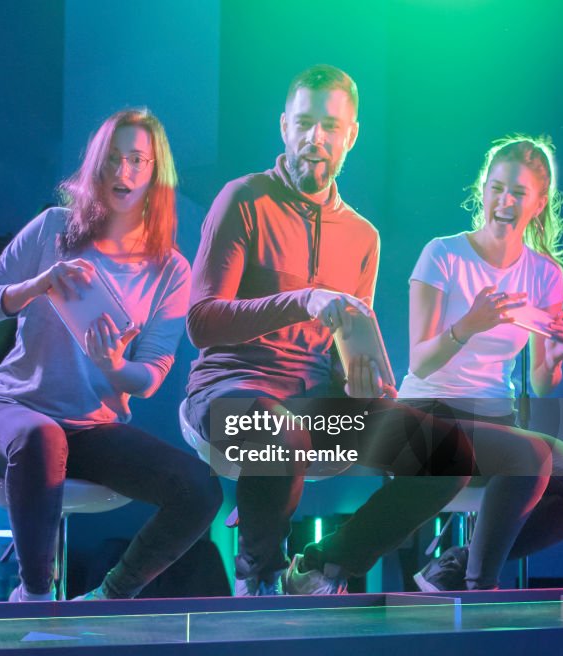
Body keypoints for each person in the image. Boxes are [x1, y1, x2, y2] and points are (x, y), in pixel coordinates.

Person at [184, 64, 482, 596]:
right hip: (226, 397)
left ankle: (321, 567)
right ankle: (259, 578)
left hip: (312, 404)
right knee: (281, 433)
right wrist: (304, 300)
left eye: (328, 126)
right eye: (303, 124)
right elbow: (202, 323)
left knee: (447, 453)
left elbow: (344, 346)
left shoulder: (363, 235)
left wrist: (362, 382)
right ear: (283, 126)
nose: (313, 139)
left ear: (351, 135)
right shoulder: (243, 199)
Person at [0, 108, 222, 602]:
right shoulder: (52, 228)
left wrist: (112, 366)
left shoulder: (171, 268)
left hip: (92, 428)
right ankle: (35, 597)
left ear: (154, 173)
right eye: (113, 159)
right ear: (96, 166)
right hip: (11, 414)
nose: (123, 173)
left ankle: (108, 599)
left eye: (137, 161)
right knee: (41, 436)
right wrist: (35, 286)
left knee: (199, 489)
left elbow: (148, 377)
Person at [400, 135, 563, 591]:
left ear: (538, 203)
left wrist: (554, 360)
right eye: (496, 188)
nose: (504, 200)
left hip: (494, 423)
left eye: (518, 192)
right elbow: (419, 363)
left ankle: (455, 563)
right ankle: (481, 588)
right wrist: (468, 325)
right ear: (483, 190)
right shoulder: (444, 254)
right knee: (528, 455)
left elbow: (541, 383)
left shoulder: (544, 274)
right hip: (427, 417)